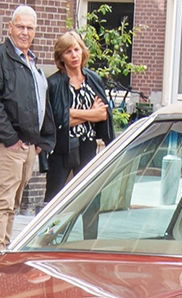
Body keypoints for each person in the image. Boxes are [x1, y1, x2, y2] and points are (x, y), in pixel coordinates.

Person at [0, 4, 54, 256]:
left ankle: (4, 249)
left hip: (29, 144)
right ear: (10, 27)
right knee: (4, 201)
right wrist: (10, 138)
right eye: (20, 26)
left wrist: (41, 139)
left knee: (15, 201)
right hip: (12, 143)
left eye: (29, 28)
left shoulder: (32, 62)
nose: (24, 32)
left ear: (35, 31)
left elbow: (40, 101)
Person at [44, 31, 111, 202]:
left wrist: (73, 113)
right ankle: (52, 230)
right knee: (54, 198)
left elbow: (103, 114)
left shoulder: (93, 79)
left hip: (88, 145)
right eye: (68, 52)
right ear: (61, 57)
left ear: (83, 51)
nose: (74, 55)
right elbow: (59, 120)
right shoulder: (54, 83)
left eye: (77, 49)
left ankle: (90, 230)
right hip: (62, 148)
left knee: (91, 198)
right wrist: (91, 114)